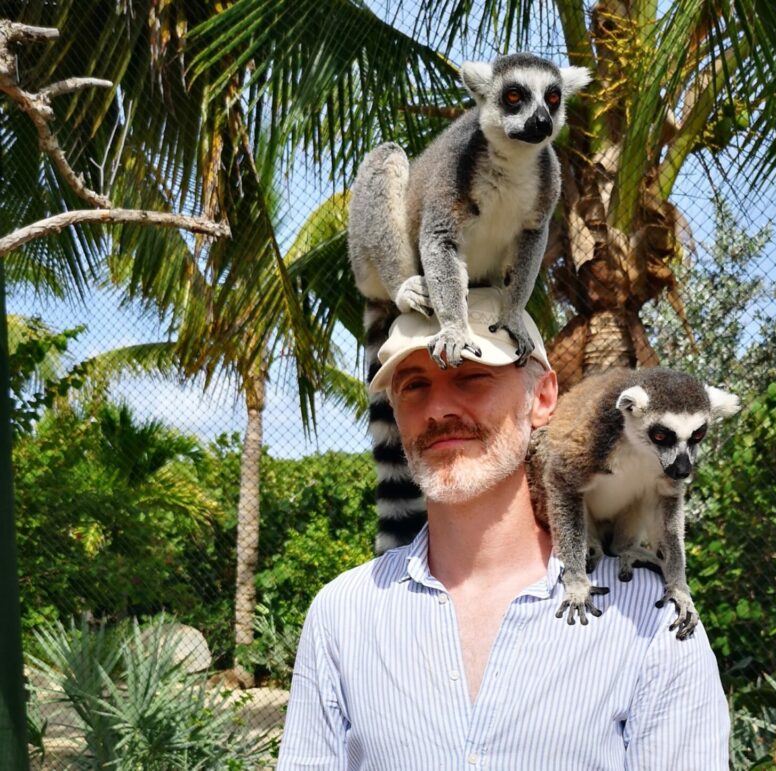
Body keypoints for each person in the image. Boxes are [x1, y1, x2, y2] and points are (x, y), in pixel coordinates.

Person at [277, 288, 730, 769]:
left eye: (471, 377)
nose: (438, 410)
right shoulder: (343, 615)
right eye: (415, 386)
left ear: (543, 397)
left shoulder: (653, 618)